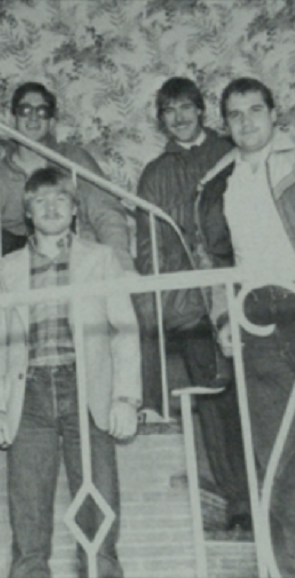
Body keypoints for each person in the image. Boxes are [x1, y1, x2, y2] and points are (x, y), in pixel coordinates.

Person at [0, 166, 141, 578]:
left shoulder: (101, 259)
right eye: (40, 201)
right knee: (27, 510)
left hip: (87, 390)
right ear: (28, 212)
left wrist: (126, 398)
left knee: (98, 507)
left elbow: (124, 331)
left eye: (60, 200)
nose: (51, 207)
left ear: (73, 210)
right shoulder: (7, 268)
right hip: (29, 394)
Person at [135, 76, 250, 530]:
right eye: (169, 111)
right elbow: (151, 249)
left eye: (187, 107)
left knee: (260, 397)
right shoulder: (154, 175)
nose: (180, 117)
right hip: (194, 309)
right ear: (161, 119)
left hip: (246, 297)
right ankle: (239, 502)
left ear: (202, 110)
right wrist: (169, 308)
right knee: (217, 406)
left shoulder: (229, 153)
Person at [196, 77, 295, 577]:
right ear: (225, 123)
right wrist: (221, 320)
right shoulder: (217, 186)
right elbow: (214, 263)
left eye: (256, 109)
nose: (246, 121)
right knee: (275, 458)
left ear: (275, 112)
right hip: (256, 322)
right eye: (234, 114)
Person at [0, 81, 134, 272]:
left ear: (52, 122)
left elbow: (107, 214)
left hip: (80, 266)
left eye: (42, 112)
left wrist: (123, 268)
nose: (34, 119)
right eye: (25, 110)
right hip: (22, 275)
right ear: (12, 119)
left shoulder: (74, 160)